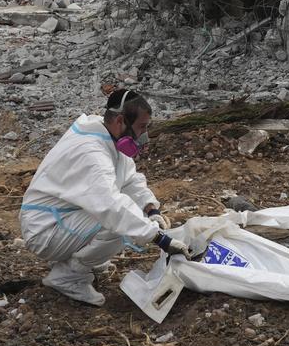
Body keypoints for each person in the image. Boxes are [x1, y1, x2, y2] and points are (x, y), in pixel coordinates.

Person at [19, 89, 191, 306]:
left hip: (61, 217)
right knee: (117, 225)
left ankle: (79, 258)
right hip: (45, 229)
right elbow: (111, 207)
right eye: (142, 127)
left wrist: (150, 209)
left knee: (128, 218)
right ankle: (68, 277)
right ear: (120, 120)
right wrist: (159, 238)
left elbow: (129, 179)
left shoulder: (107, 136)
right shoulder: (92, 153)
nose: (144, 134)